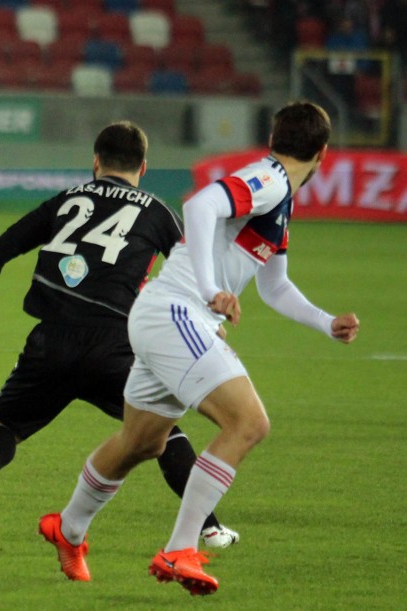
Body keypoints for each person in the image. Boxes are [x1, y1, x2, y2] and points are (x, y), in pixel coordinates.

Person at [40, 101, 360, 595]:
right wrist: (211, 290)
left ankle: (69, 529)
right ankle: (179, 548)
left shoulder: (279, 198)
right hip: (178, 312)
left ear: (276, 137)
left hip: (163, 315)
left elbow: (274, 286)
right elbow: (201, 204)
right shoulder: (270, 179)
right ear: (323, 152)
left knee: (141, 443)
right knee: (248, 423)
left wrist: (326, 322)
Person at [0, 121, 238, 556]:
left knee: (5, 426)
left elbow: (1, 248)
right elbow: (190, 266)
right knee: (160, 433)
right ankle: (210, 527)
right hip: (116, 345)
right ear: (144, 167)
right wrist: (207, 315)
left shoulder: (67, 199)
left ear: (95, 162)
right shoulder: (156, 211)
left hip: (50, 340)